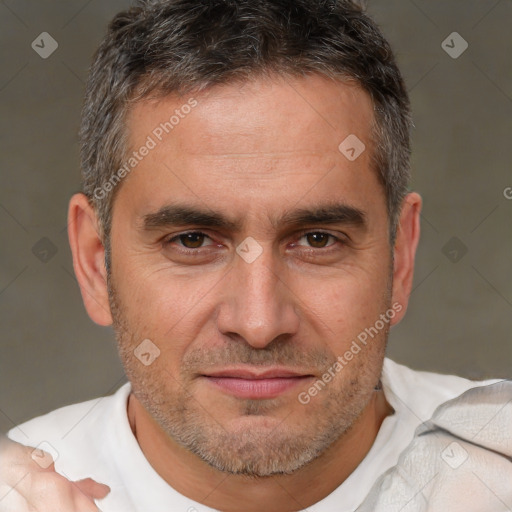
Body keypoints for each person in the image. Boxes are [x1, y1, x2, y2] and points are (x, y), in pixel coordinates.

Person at [1, 0, 510, 511]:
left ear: (399, 259)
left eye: (317, 240)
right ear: (96, 262)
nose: (259, 323)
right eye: (193, 240)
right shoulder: (17, 491)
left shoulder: (494, 458)